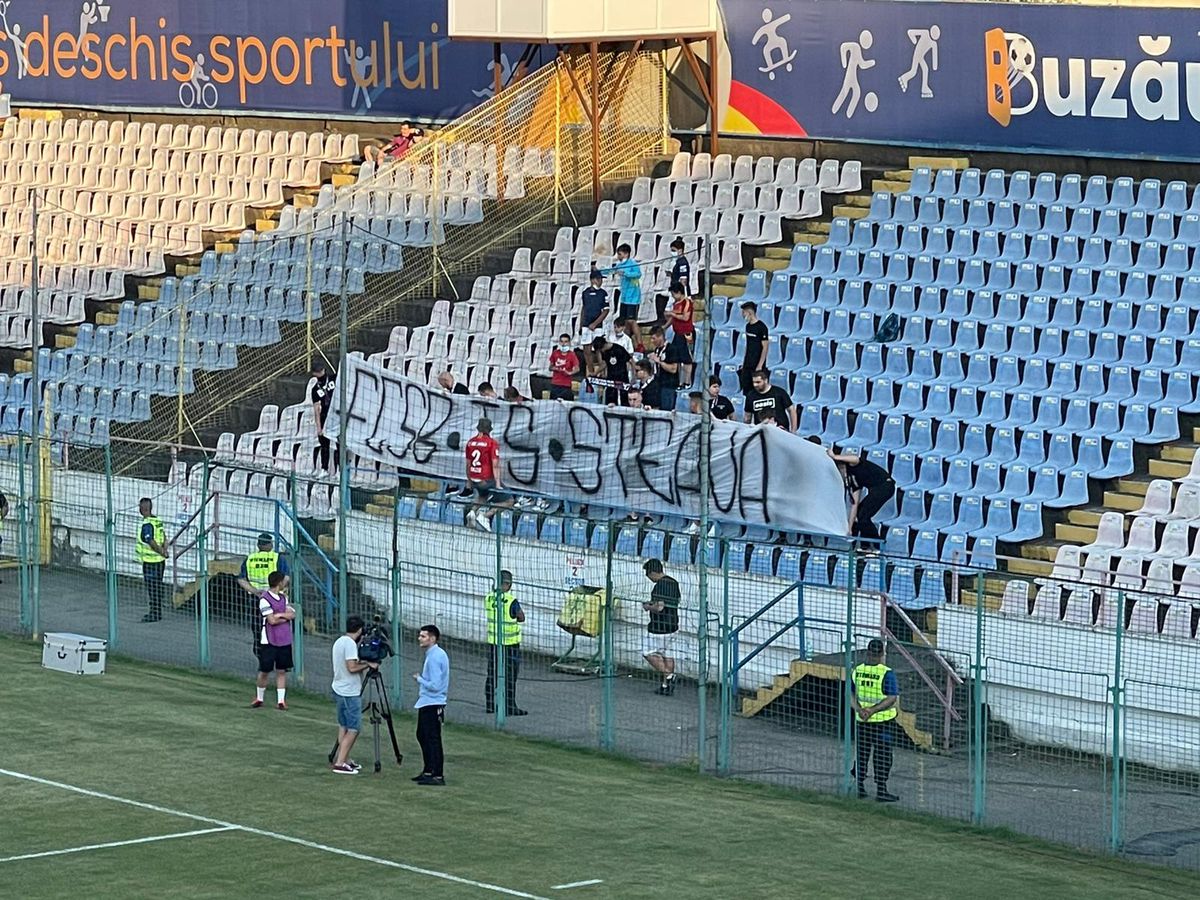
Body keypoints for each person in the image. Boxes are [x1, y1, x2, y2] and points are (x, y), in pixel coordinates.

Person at [851, 638, 900, 802]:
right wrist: (873, 710)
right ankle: (881, 790)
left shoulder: (857, 671)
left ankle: (860, 787)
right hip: (882, 722)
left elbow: (850, 694)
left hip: (862, 721)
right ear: (882, 653)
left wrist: (860, 709)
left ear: (867, 652)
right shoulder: (886, 673)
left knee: (862, 753)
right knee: (883, 756)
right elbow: (891, 698)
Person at [331, 615, 378, 774]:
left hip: (339, 688)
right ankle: (340, 763)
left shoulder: (339, 641)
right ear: (359, 630)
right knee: (354, 728)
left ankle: (344, 758)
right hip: (348, 691)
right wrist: (367, 665)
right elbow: (351, 667)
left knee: (344, 726)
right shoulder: (350, 644)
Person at [484, 570, 526, 716]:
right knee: (510, 675)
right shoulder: (510, 600)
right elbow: (521, 617)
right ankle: (509, 706)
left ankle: (490, 704)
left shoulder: (489, 597)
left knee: (492, 673)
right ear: (507, 584)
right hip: (510, 644)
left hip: (493, 642)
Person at [829, 449, 896, 541]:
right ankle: (866, 545)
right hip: (876, 490)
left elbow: (855, 458)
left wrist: (834, 456)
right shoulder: (851, 481)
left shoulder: (852, 465)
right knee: (860, 515)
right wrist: (849, 528)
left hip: (884, 486)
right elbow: (854, 505)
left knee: (863, 516)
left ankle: (877, 545)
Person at [252, 571, 296, 710]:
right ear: (279, 582)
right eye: (284, 581)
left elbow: (292, 614)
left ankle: (281, 701)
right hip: (269, 640)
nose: (286, 583)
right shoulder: (264, 599)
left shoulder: (284, 598)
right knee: (265, 670)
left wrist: (280, 615)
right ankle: (259, 697)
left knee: (281, 670)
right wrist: (284, 617)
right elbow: (271, 620)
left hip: (284, 638)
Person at [413, 624, 449, 786]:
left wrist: (419, 679)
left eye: (423, 636)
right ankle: (428, 770)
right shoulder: (434, 654)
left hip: (433, 702)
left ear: (433, 638)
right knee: (422, 735)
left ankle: (437, 774)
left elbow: (435, 684)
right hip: (428, 701)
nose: (420, 638)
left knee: (432, 738)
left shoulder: (435, 657)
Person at [641, 559, 681, 696]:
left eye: (648, 575)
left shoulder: (660, 586)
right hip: (673, 625)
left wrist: (648, 606)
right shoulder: (674, 582)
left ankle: (669, 676)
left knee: (647, 652)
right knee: (667, 655)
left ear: (652, 572)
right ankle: (666, 686)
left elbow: (659, 607)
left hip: (659, 626)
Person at [465, 417, 512, 532]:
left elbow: (468, 464)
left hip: (474, 478)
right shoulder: (492, 443)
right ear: (489, 430)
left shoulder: (470, 442)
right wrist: (497, 483)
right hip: (486, 479)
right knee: (509, 500)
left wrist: (469, 480)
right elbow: (495, 465)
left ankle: (472, 512)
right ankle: (485, 516)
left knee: (483, 495)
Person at [603, 244, 643, 348]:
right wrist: (599, 271)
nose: (618, 256)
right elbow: (611, 270)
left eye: (619, 254)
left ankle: (640, 344)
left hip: (633, 298)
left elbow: (638, 274)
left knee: (632, 320)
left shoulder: (633, 264)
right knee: (624, 321)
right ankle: (627, 343)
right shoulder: (620, 264)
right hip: (624, 298)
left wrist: (625, 273)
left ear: (626, 254)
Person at [135, 497, 167, 622]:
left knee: (152, 588)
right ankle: (158, 611)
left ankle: (154, 613)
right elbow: (164, 536)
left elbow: (150, 541)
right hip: (160, 562)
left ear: (141, 510)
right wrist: (164, 550)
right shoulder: (157, 520)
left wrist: (161, 552)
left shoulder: (147, 524)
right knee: (158, 586)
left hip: (151, 562)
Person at [237, 532, 290, 602]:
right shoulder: (278, 558)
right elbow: (286, 578)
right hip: (275, 596)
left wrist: (255, 591)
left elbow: (241, 580)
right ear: (271, 545)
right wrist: (276, 590)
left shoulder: (249, 559)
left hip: (255, 597)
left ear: (258, 545)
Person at [647, 325, 684, 411]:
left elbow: (673, 369)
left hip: (669, 386)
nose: (652, 341)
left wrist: (659, 361)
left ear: (660, 337)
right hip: (658, 384)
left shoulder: (671, 349)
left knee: (666, 411)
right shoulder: (657, 349)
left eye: (654, 338)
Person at [665, 281, 695, 387]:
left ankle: (687, 382)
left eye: (673, 294)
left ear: (678, 292)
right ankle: (679, 382)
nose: (673, 296)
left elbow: (685, 317)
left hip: (686, 334)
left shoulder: (687, 302)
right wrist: (664, 327)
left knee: (687, 359)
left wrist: (671, 313)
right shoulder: (676, 304)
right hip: (677, 334)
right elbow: (674, 318)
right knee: (676, 357)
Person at [579, 269, 609, 372]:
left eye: (601, 279)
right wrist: (581, 324)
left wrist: (595, 324)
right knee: (586, 350)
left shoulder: (603, 293)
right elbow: (584, 308)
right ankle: (591, 372)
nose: (601, 281)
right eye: (599, 279)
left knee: (599, 349)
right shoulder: (585, 293)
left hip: (597, 325)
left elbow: (605, 311)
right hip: (586, 324)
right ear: (593, 280)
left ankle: (602, 372)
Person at [738, 302, 770, 397]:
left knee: (757, 390)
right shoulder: (748, 327)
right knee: (747, 390)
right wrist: (744, 363)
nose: (743, 315)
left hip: (757, 364)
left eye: (744, 312)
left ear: (749, 312)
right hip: (748, 363)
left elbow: (765, 347)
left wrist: (760, 365)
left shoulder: (762, 327)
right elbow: (748, 345)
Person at [311, 360, 337, 473]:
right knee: (324, 445)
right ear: (314, 374)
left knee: (339, 445)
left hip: (337, 415)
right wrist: (319, 427)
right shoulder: (315, 389)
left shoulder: (334, 378)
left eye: (321, 370)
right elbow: (316, 409)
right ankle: (324, 468)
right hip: (325, 416)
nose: (321, 372)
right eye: (318, 371)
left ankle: (340, 471)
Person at [591, 335, 633, 406]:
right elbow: (604, 364)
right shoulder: (605, 352)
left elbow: (630, 360)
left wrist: (634, 374)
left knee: (624, 398)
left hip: (622, 377)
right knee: (610, 399)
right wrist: (595, 373)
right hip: (611, 378)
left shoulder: (619, 349)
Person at [548, 333, 580, 401]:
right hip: (555, 384)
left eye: (566, 342)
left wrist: (569, 373)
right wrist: (555, 368)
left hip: (566, 385)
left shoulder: (572, 355)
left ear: (569, 343)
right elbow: (550, 367)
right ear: (559, 342)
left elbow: (577, 369)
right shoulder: (555, 353)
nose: (563, 344)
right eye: (562, 341)